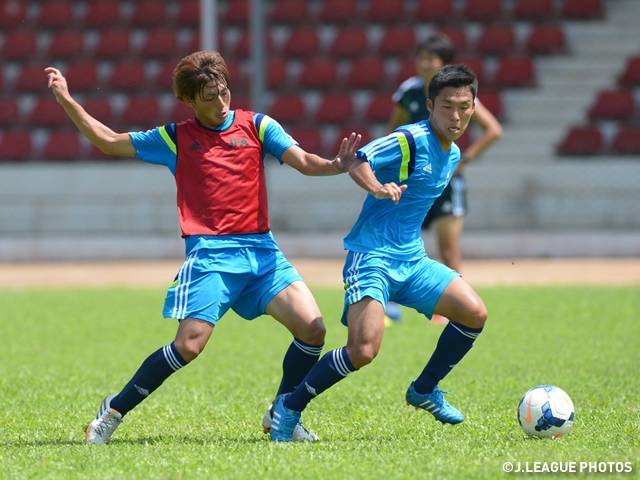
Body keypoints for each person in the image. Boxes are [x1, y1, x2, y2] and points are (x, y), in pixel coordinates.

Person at [45, 50, 360, 445]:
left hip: (262, 253)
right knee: (189, 346)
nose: (220, 102)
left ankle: (282, 413)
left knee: (313, 329)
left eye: (224, 91)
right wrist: (68, 100)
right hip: (211, 255)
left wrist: (335, 165)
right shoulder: (176, 137)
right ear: (190, 100)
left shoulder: (258, 126)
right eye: (209, 97)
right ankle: (113, 411)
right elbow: (108, 141)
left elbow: (304, 161)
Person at [269, 64, 488, 442]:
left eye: (464, 107)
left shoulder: (451, 156)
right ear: (430, 105)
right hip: (371, 257)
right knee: (363, 349)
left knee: (474, 313)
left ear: (473, 106)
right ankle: (288, 409)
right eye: (447, 106)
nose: (456, 116)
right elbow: (358, 161)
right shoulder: (410, 139)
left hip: (413, 260)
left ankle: (424, 389)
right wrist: (377, 188)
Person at [386, 33, 503, 324]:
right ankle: (390, 306)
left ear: (445, 63)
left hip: (447, 184)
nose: (424, 63)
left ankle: (451, 311)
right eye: (421, 56)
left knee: (448, 249)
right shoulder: (409, 91)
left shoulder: (458, 96)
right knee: (398, 241)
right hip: (412, 184)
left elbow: (493, 129)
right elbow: (393, 130)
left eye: (431, 58)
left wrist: (465, 159)